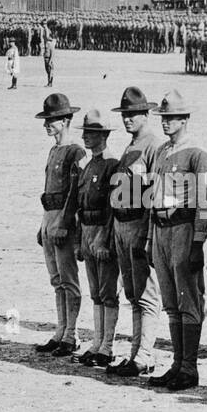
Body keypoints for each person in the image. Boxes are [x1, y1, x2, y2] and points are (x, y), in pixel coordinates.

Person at [146, 89, 207, 391]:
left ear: (185, 120)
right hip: (160, 230)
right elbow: (152, 196)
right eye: (163, 118)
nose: (165, 123)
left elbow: (205, 203)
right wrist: (150, 238)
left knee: (189, 300)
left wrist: (198, 242)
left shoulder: (198, 155)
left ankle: (189, 367)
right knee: (171, 302)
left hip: (184, 229)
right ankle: (176, 363)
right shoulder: (160, 152)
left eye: (172, 118)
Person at [107, 87, 163, 378]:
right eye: (124, 114)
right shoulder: (130, 147)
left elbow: (154, 195)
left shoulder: (153, 147)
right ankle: (135, 354)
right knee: (132, 293)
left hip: (139, 225)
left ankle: (145, 355)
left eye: (133, 114)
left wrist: (148, 233)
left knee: (147, 294)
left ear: (146, 114)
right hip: (121, 225)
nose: (127, 119)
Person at [33, 93, 85, 357]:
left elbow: (74, 193)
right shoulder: (54, 150)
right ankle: (60, 331)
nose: (47, 125)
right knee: (56, 280)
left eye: (51, 120)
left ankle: (71, 335)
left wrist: (66, 223)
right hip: (49, 217)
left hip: (63, 221)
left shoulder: (76, 151)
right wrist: (43, 225)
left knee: (68, 280)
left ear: (65, 120)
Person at [73, 110, 121, 368]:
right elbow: (81, 205)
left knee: (108, 291)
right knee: (96, 293)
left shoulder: (112, 164)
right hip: (89, 229)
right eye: (84, 132)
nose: (84, 137)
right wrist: (81, 239)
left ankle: (108, 346)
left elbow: (113, 206)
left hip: (104, 231)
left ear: (103, 135)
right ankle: (96, 343)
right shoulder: (89, 164)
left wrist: (104, 238)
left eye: (90, 133)